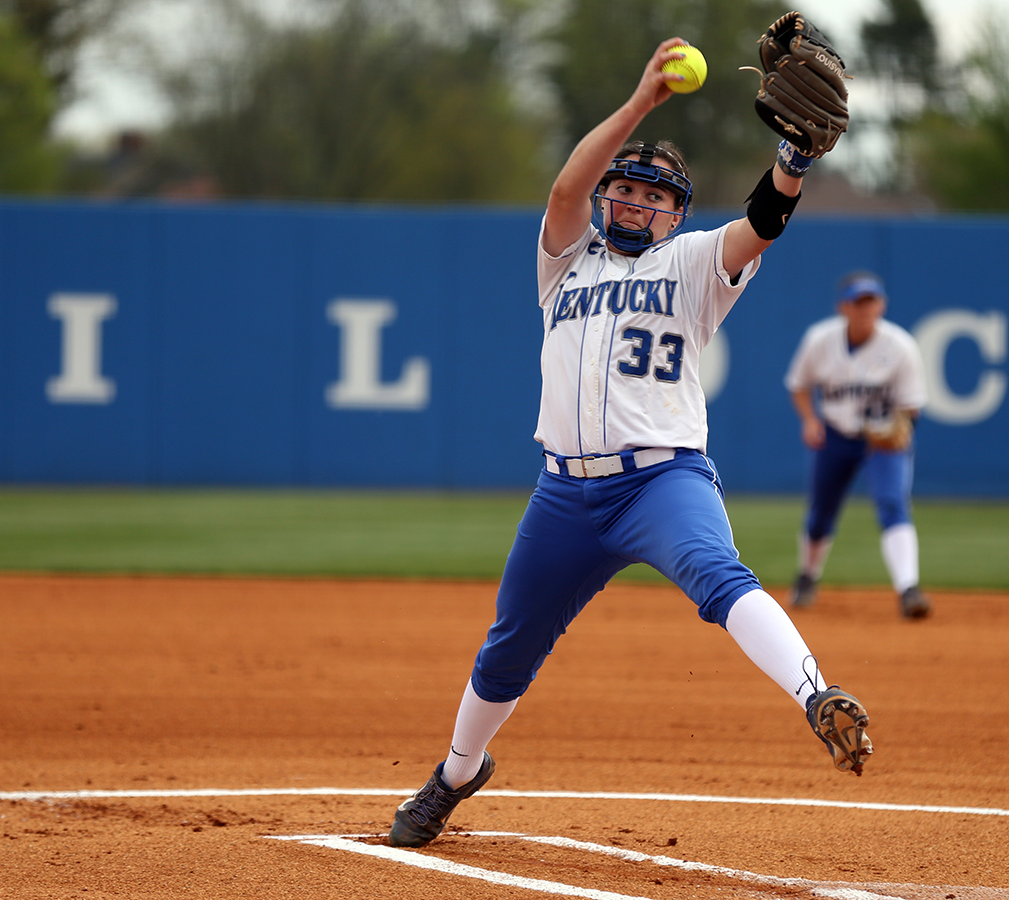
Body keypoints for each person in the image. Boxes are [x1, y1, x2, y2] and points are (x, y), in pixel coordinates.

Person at [388, 37, 873, 850]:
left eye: (656, 197)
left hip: (662, 481)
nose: (638, 204)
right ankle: (456, 773)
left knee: (720, 577)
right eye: (627, 190)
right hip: (564, 494)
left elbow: (761, 223)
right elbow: (564, 186)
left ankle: (818, 695)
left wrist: (792, 158)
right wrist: (643, 100)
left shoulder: (691, 263)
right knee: (510, 642)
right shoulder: (564, 267)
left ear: (678, 214)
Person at [784, 271, 931, 618]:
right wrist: (810, 419)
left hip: (881, 443)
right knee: (821, 513)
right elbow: (799, 384)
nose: (866, 309)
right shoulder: (820, 339)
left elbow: (912, 407)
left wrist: (903, 429)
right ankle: (808, 575)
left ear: (881, 305)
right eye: (858, 302)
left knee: (893, 503)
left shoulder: (901, 347)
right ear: (843, 307)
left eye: (872, 301)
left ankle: (909, 589)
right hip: (835, 433)